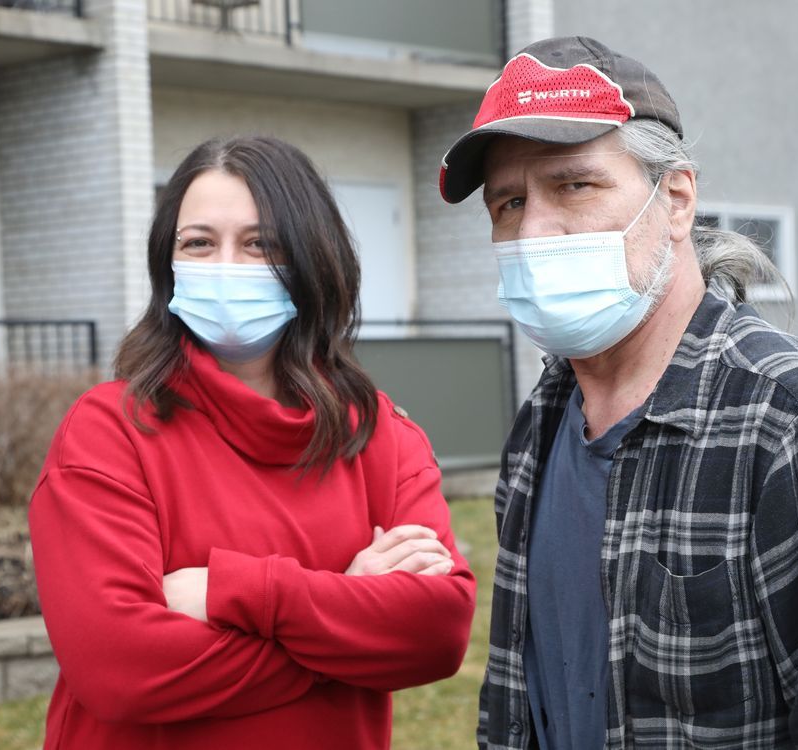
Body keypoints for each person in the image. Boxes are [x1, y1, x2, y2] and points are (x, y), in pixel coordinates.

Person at [438, 36, 798, 748]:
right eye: (509, 203)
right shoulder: (540, 427)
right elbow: (521, 700)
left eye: (574, 185)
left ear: (675, 200)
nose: (535, 229)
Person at [29, 135, 476, 749]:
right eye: (199, 243)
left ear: (312, 259)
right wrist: (348, 613)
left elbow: (436, 633)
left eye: (261, 243)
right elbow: (120, 667)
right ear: (169, 264)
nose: (225, 266)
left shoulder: (380, 435)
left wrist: (234, 593)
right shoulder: (111, 431)